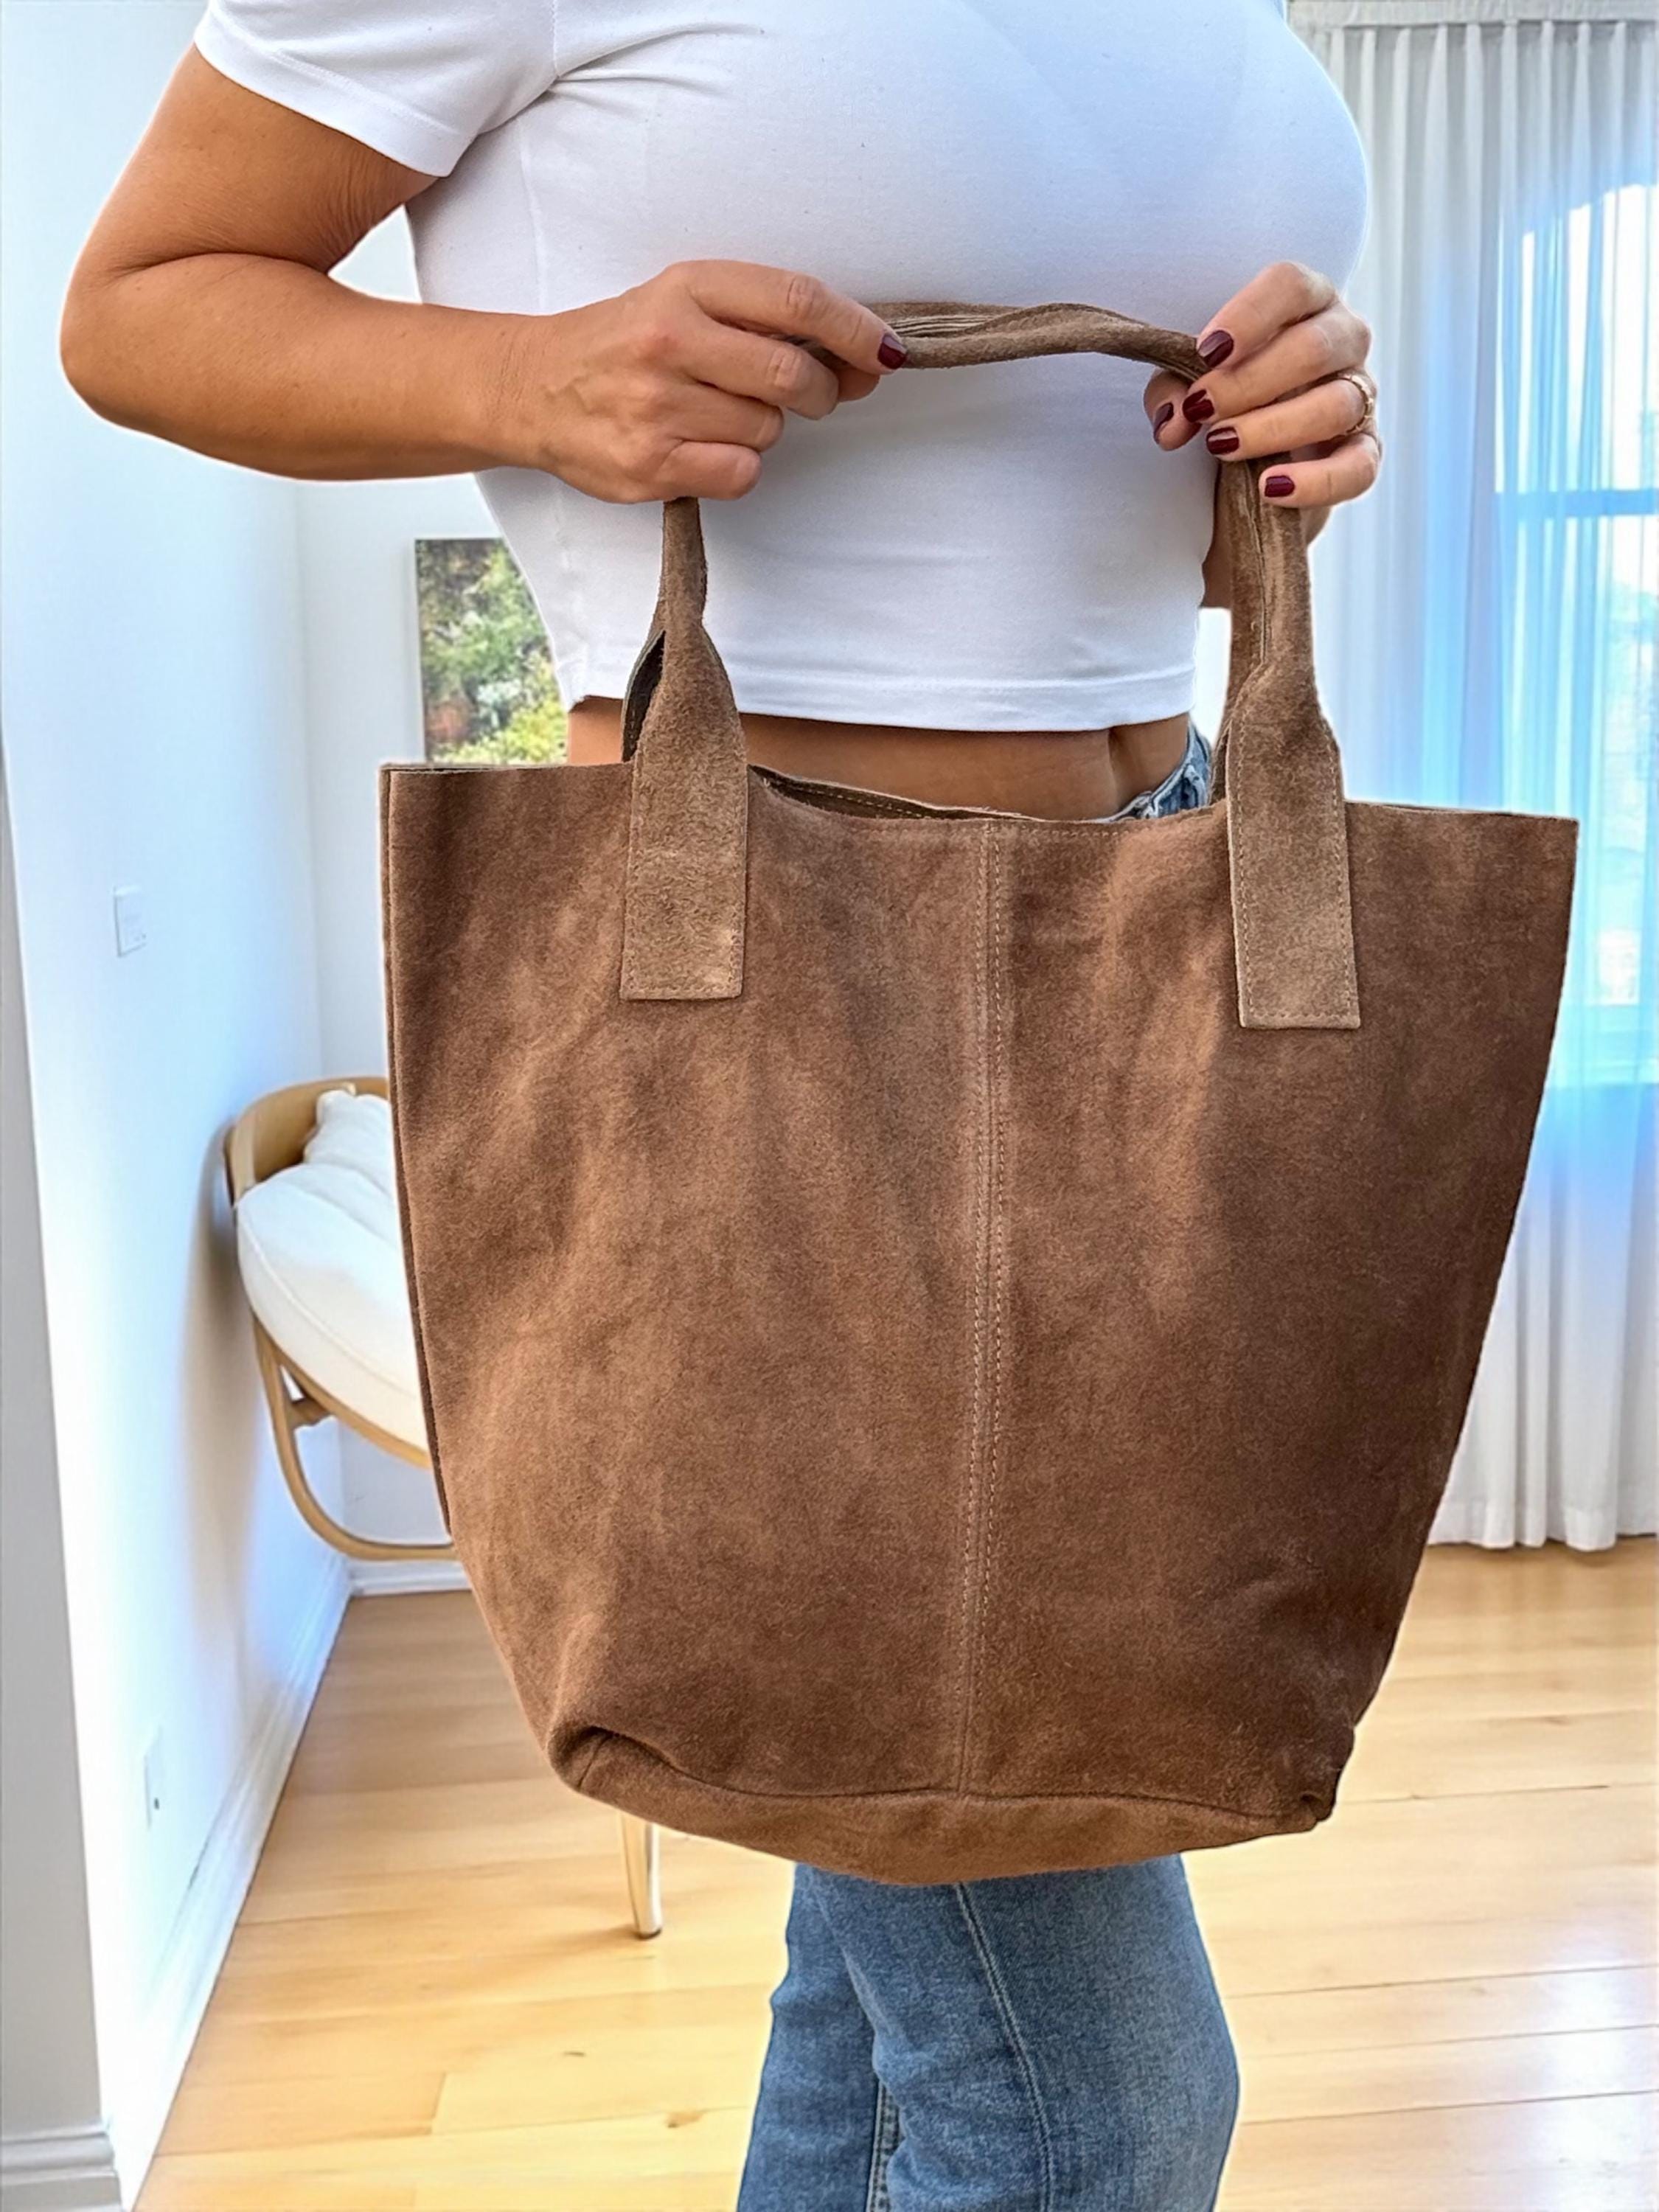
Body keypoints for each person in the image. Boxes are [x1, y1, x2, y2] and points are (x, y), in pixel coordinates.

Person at [62, 6, 1377, 2204]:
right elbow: (138, 308)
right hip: (769, 975)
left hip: (1159, 921)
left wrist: (1304, 401)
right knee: (1100, 2090)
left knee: (872, 1929)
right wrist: (526, 379)